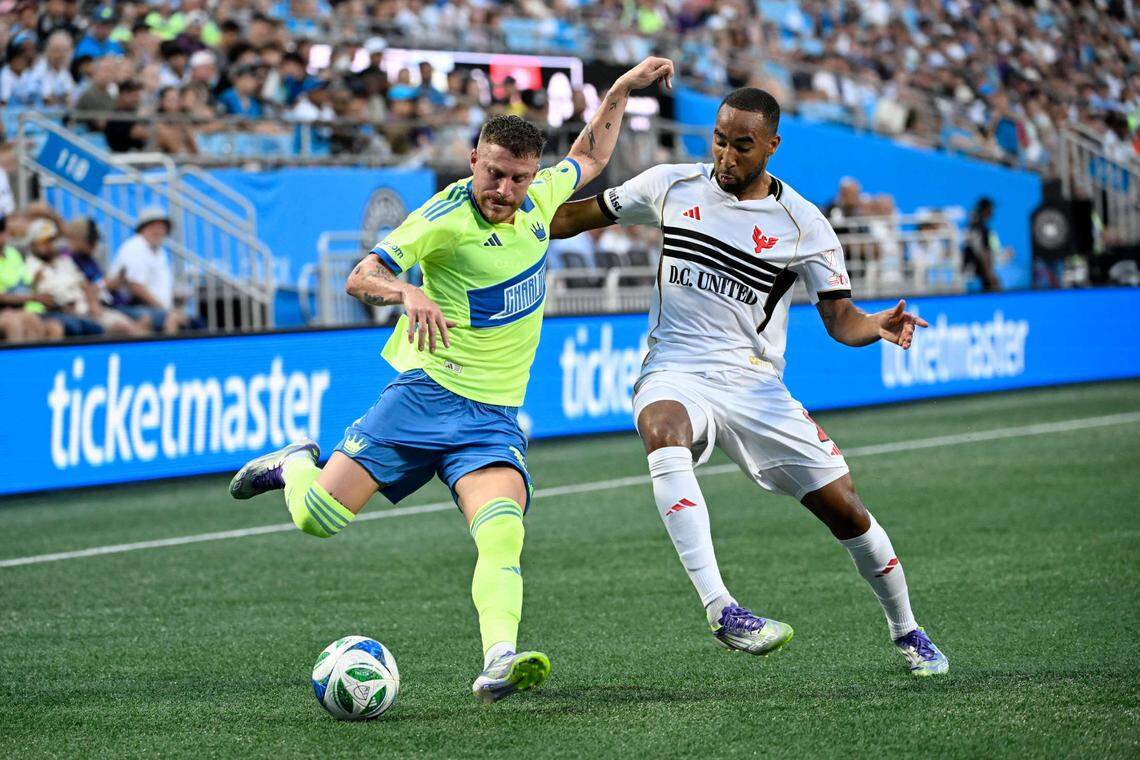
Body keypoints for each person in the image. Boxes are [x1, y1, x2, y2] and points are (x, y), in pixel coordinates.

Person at [228, 57, 675, 703]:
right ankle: (297, 463)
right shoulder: (442, 218)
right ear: (473, 160)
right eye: (494, 173)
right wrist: (406, 293)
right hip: (422, 398)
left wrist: (621, 90)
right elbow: (360, 276)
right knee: (318, 518)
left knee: (501, 531)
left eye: (518, 179)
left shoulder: (539, 199)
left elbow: (590, 153)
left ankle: (500, 658)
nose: (504, 189)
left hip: (491, 417)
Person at [549, 87, 949, 677]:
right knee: (662, 429)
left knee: (847, 512)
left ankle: (906, 629)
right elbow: (566, 219)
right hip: (675, 368)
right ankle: (721, 610)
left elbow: (841, 321)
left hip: (755, 384)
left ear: (771, 146)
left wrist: (877, 326)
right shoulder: (669, 185)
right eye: (719, 140)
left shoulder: (804, 224)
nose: (726, 158)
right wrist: (514, 213)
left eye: (742, 146)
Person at [109, 206, 191, 334]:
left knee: (192, 321)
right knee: (171, 318)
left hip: (155, 307)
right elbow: (135, 286)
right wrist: (165, 309)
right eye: (153, 226)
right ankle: (170, 352)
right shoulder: (135, 247)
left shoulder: (159, 252)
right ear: (142, 229)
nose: (158, 231)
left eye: (162, 227)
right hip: (129, 306)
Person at [963, 197, 1003, 291]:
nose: (993, 212)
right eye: (991, 209)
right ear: (985, 210)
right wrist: (990, 275)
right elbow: (981, 252)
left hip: (981, 275)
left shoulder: (980, 228)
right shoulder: (978, 228)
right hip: (978, 277)